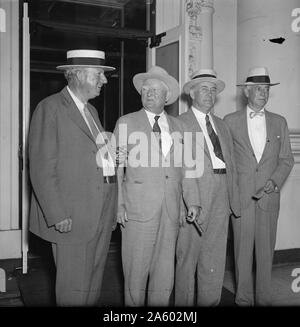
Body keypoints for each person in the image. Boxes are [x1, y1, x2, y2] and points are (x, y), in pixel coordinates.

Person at [28, 49, 117, 306]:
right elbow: (42, 167)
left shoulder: (91, 112)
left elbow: (90, 158)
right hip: (71, 216)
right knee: (73, 290)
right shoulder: (50, 108)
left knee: (92, 285)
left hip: (98, 213)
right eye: (99, 74)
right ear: (76, 75)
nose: (104, 80)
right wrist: (56, 214)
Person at [114, 66, 201, 306]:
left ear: (167, 96)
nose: (149, 93)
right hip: (137, 210)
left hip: (171, 209)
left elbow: (188, 168)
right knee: (135, 273)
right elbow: (115, 167)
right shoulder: (126, 122)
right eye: (146, 90)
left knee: (164, 274)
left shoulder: (179, 126)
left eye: (155, 90)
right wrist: (118, 204)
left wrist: (191, 200)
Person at [223, 67, 294, 306]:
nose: (263, 93)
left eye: (266, 90)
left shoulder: (279, 122)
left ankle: (264, 300)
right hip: (241, 200)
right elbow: (227, 163)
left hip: (268, 199)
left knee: (265, 256)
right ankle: (242, 300)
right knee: (241, 256)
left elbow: (287, 159)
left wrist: (274, 183)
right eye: (258, 90)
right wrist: (231, 196)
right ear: (247, 92)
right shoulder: (229, 122)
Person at [175, 69, 240, 306]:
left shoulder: (222, 125)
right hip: (194, 195)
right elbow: (178, 167)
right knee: (187, 259)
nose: (209, 94)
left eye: (213, 90)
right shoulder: (180, 123)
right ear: (191, 93)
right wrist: (183, 204)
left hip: (222, 193)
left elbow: (231, 162)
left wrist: (234, 197)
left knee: (214, 259)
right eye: (203, 88)